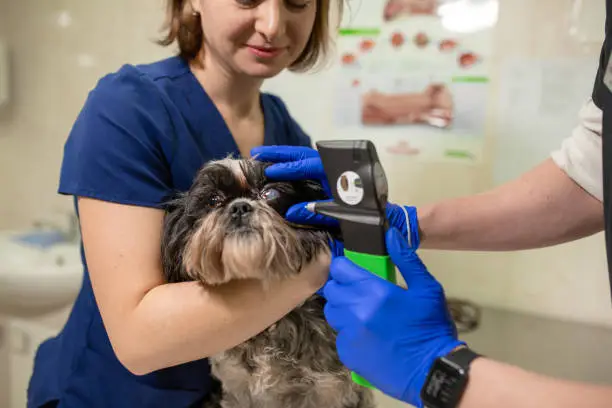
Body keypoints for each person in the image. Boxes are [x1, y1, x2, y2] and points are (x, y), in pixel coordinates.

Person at [249, 1, 612, 405]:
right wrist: (405, 222)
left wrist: (443, 374)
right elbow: (592, 170)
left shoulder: (277, 115)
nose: (272, 24)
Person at [27, 1, 344, 407]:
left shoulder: (283, 125)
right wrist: (319, 266)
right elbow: (139, 338)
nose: (272, 25)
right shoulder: (128, 108)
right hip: (113, 395)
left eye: (297, 2)